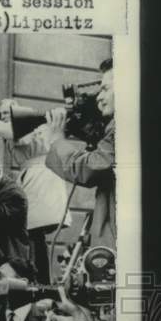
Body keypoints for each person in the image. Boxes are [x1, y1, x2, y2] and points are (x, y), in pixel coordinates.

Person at [0, 99, 69, 281]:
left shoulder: (25, 124)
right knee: (33, 234)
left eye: (8, 112)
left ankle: (42, 279)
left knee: (35, 233)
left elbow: (13, 132)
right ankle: (37, 277)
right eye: (2, 113)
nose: (5, 117)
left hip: (41, 178)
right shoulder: (15, 129)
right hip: (35, 176)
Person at [45, 58, 116, 249]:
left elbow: (91, 168)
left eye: (105, 89)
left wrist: (57, 141)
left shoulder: (123, 127)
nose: (99, 97)